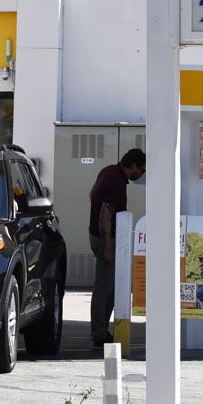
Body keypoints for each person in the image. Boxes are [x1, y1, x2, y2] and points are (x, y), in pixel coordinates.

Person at [87, 147, 146, 347]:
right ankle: (99, 334)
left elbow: (91, 194)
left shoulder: (108, 170)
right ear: (134, 166)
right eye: (142, 170)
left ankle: (101, 331)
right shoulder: (118, 184)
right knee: (105, 287)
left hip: (96, 236)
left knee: (108, 286)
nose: (141, 174)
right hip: (106, 240)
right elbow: (106, 214)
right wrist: (108, 247)